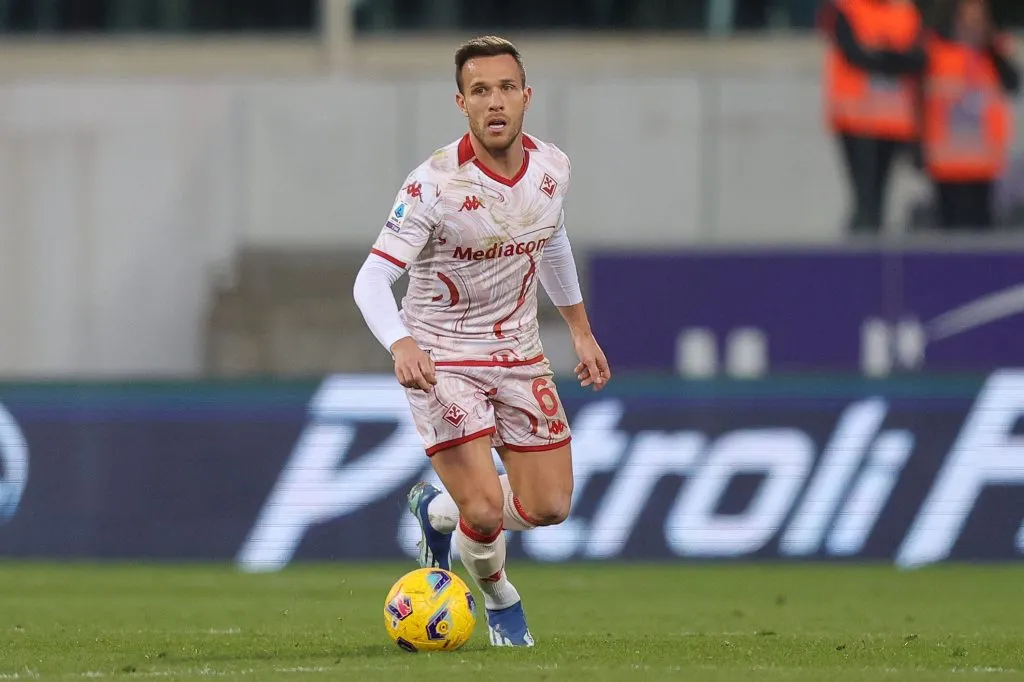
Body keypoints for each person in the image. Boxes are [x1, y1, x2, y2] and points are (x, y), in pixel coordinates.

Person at [352, 35, 611, 647]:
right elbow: (371, 279)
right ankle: (500, 600)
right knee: (488, 510)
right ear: (461, 103)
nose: (495, 101)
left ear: (526, 96)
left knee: (550, 507)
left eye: (505, 88)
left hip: (520, 352)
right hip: (442, 358)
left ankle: (437, 512)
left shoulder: (552, 169)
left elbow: (551, 241)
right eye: (480, 91)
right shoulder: (432, 184)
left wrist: (580, 329)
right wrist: (400, 343)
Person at [819, 0, 926, 234]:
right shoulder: (847, 8)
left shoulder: (905, 12)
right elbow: (854, 54)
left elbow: (919, 58)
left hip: (892, 122)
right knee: (865, 197)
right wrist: (894, 58)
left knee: (878, 198)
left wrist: (879, 55)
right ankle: (862, 244)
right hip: (856, 122)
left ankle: (870, 243)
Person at [919, 0, 1020, 230]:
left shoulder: (993, 52)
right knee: (949, 229)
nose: (974, 24)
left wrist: (990, 47)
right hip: (947, 163)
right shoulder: (936, 49)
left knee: (981, 228)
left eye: (979, 19)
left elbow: (1012, 82)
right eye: (969, 18)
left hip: (983, 163)